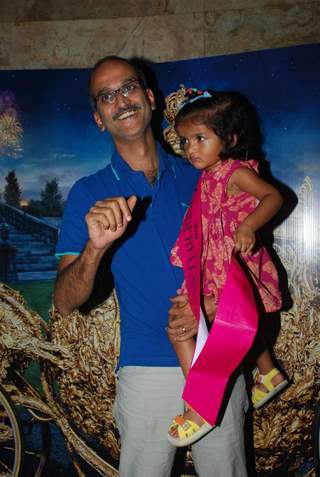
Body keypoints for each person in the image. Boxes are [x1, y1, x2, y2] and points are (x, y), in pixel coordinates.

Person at [53, 57, 249, 477]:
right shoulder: (88, 192)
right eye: (106, 96)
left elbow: (247, 258)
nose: (120, 100)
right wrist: (94, 249)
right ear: (99, 119)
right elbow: (65, 301)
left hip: (218, 355)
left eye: (128, 87)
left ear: (150, 97)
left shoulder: (205, 174)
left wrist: (213, 304)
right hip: (145, 370)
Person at [166, 88, 288, 447]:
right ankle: (268, 373)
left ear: (230, 138)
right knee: (242, 327)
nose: (191, 148)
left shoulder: (234, 171)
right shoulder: (210, 175)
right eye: (186, 140)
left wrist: (249, 226)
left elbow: (275, 197)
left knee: (180, 331)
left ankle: (200, 406)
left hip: (231, 265)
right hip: (217, 265)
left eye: (200, 138)